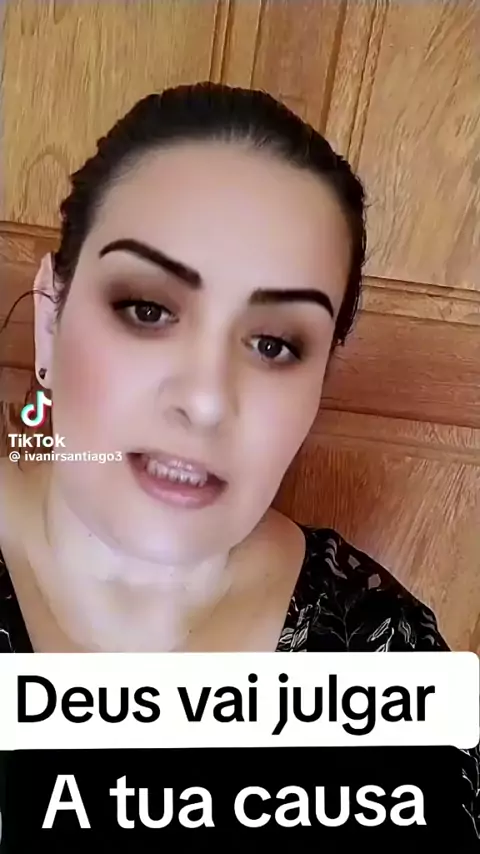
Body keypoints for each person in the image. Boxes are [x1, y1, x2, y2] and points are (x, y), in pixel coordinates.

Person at [0, 83, 477, 832]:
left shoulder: (379, 653)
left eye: (274, 344)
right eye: (148, 309)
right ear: (51, 324)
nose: (207, 400)